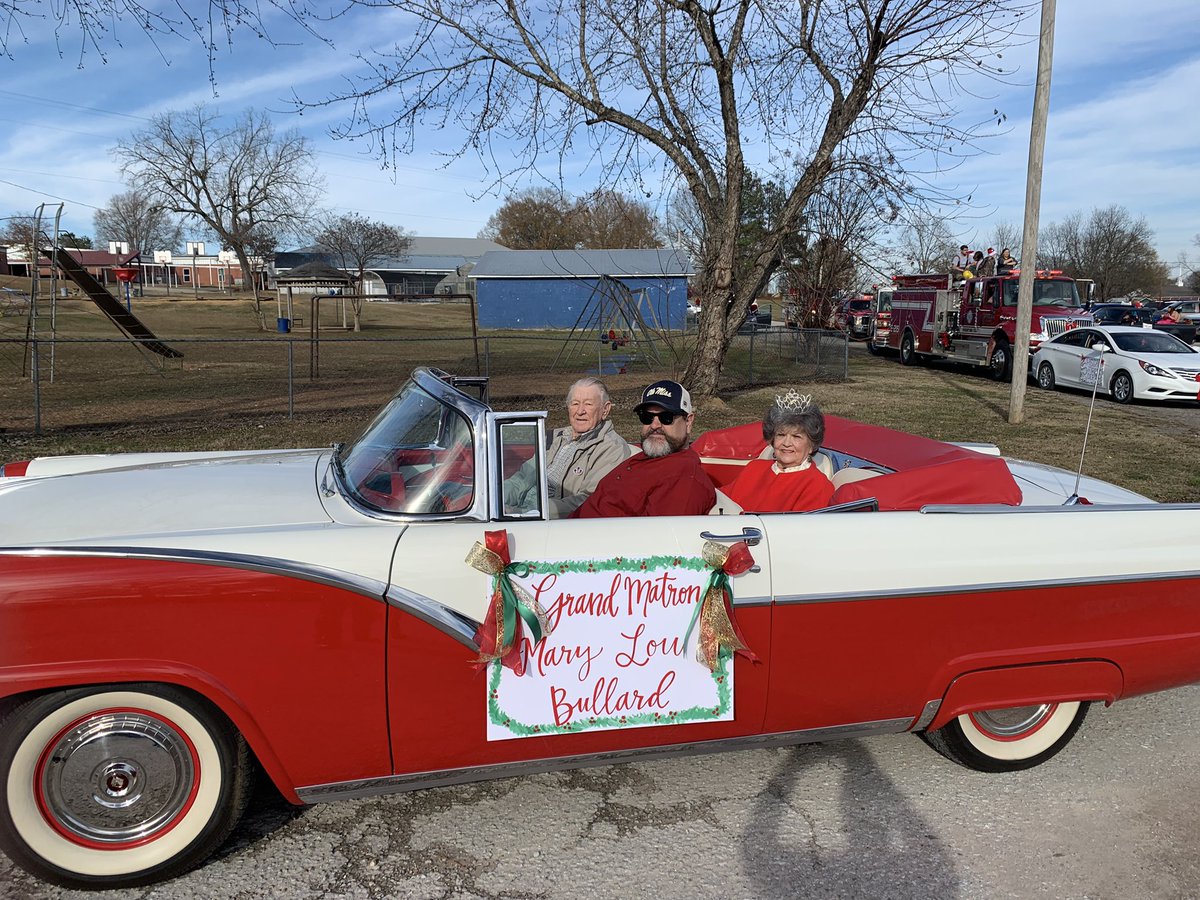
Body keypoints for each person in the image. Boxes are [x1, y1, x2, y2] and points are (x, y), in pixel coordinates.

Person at [572, 379, 715, 518]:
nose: (654, 425)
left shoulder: (684, 479)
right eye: (647, 417)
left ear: (688, 421)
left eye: (666, 417)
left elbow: (660, 539)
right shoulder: (646, 457)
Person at [503, 377, 630, 518]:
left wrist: (525, 514)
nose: (580, 411)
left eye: (588, 404)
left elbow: (588, 500)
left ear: (605, 410)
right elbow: (521, 479)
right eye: (575, 404)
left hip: (552, 522)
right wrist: (495, 501)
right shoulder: (554, 438)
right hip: (519, 513)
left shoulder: (612, 448)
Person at [723, 390, 835, 513]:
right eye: (781, 435)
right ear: (772, 439)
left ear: (811, 445)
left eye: (796, 437)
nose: (786, 443)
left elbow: (803, 529)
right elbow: (717, 500)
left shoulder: (817, 485)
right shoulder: (754, 468)